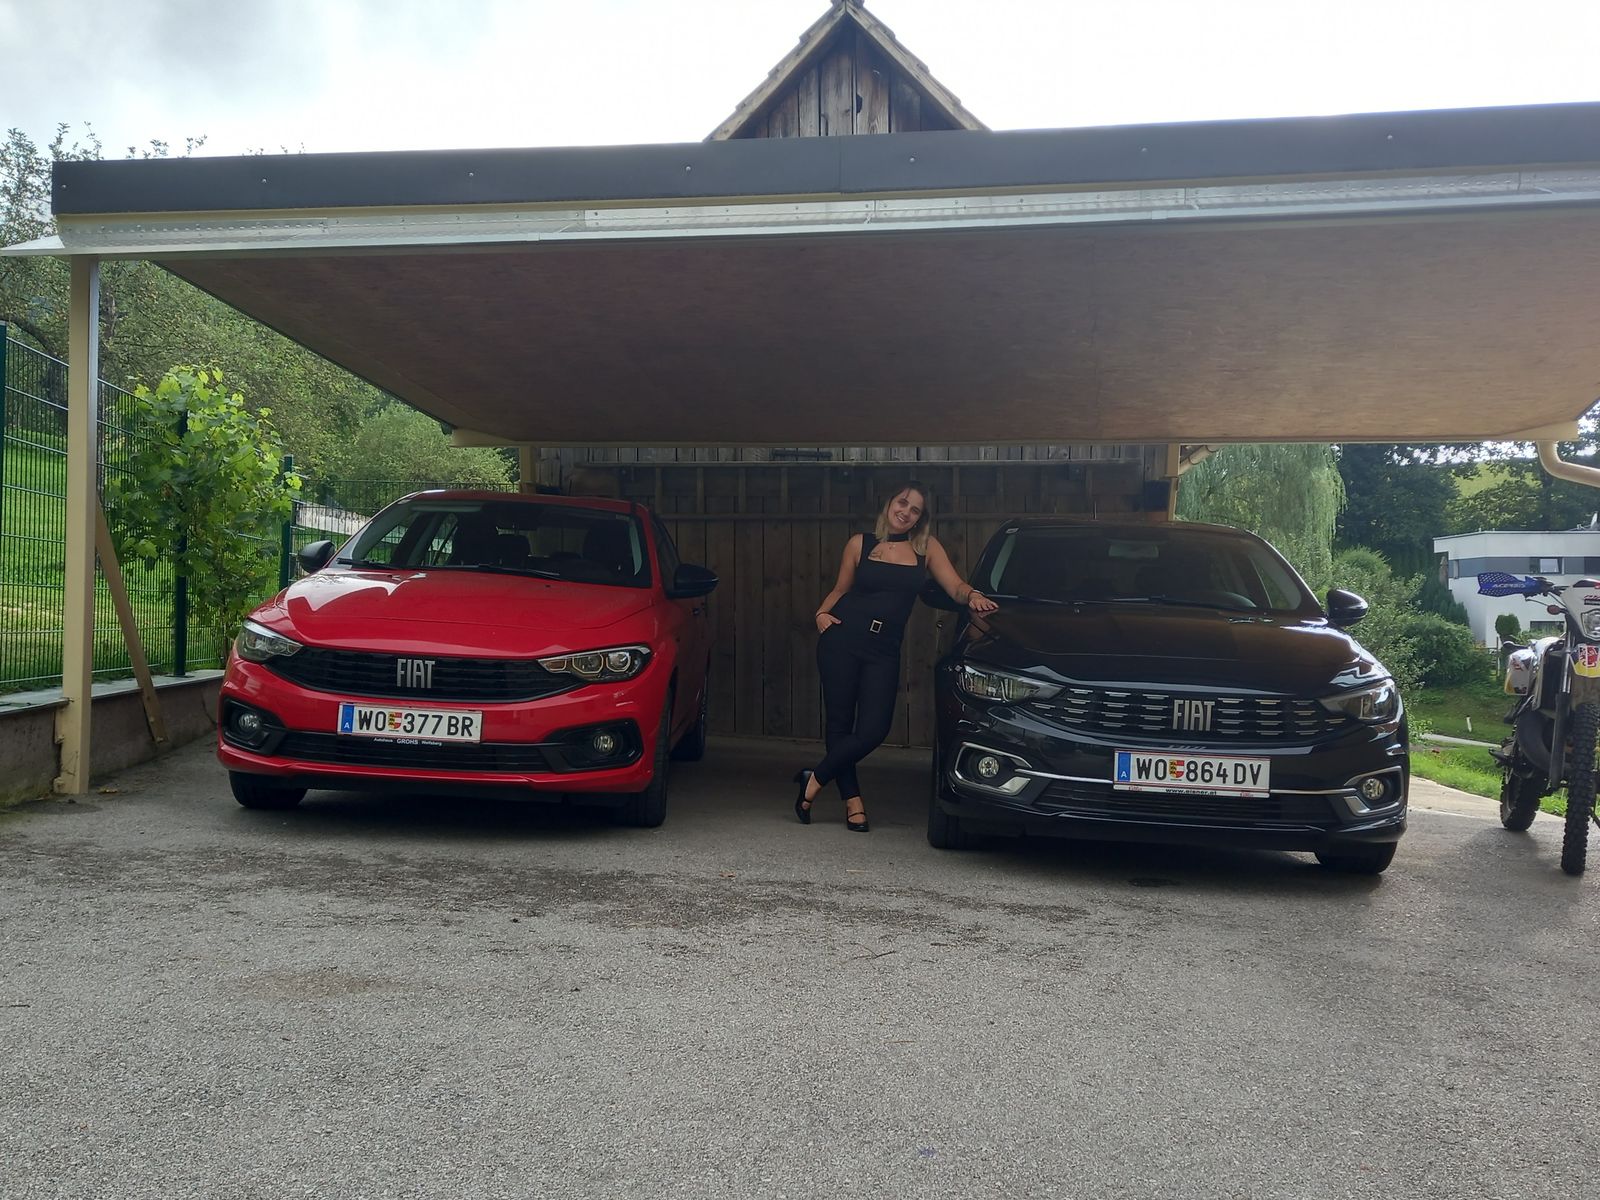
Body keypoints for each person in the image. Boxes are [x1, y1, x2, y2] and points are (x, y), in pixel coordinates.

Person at [793, 481, 998, 832]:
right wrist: (821, 615)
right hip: (842, 639)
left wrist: (973, 595)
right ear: (889, 503)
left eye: (915, 509)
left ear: (921, 518)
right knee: (840, 724)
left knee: (874, 729)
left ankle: (814, 778)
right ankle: (853, 802)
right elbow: (841, 589)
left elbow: (955, 586)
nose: (906, 512)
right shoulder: (860, 543)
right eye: (902, 503)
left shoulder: (925, 548)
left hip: (884, 649)